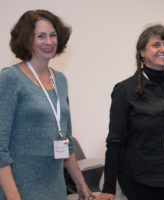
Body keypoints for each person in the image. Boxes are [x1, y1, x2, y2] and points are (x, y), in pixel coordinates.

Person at [0, 10, 95, 200]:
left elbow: (65, 139)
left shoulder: (60, 80)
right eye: (41, 36)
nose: (49, 42)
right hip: (20, 189)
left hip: (55, 189)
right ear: (26, 40)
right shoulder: (10, 78)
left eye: (53, 35)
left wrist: (81, 184)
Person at [95, 24, 164, 200]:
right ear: (142, 52)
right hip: (142, 183)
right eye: (156, 45)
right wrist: (108, 188)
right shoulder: (125, 90)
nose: (163, 49)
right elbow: (115, 140)